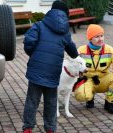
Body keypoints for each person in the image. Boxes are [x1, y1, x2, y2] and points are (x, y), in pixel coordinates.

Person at [22, 1, 79, 133]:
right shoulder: (65, 32)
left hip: (36, 71)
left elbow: (28, 42)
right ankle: (50, 129)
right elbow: (74, 53)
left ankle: (28, 128)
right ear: (66, 14)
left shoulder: (39, 25)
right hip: (53, 73)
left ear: (51, 10)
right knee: (51, 103)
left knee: (32, 101)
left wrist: (34, 55)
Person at [77, 24, 113, 114]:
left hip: (104, 78)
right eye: (96, 37)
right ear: (90, 38)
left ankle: (109, 103)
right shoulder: (81, 51)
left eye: (102, 36)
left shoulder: (110, 50)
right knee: (82, 96)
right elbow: (74, 66)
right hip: (88, 78)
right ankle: (90, 97)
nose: (100, 39)